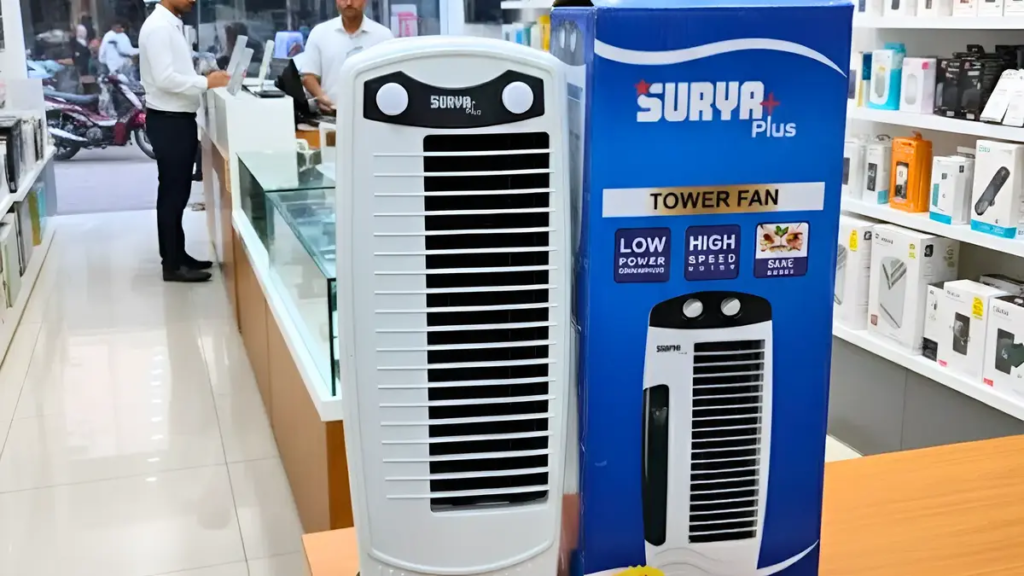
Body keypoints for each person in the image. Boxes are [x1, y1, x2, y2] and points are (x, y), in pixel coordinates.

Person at [139, 0, 230, 282]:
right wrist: (206, 83)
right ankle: (172, 264)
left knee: (177, 194)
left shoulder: (171, 25)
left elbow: (176, 71)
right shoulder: (158, 28)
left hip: (177, 118)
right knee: (172, 194)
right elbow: (165, 79)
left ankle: (179, 255)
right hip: (169, 121)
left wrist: (203, 77)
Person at [301, 0, 393, 113]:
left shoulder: (383, 36)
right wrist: (322, 97)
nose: (349, 3)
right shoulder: (320, 33)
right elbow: (309, 76)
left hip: (372, 116)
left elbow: (391, 78)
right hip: (331, 115)